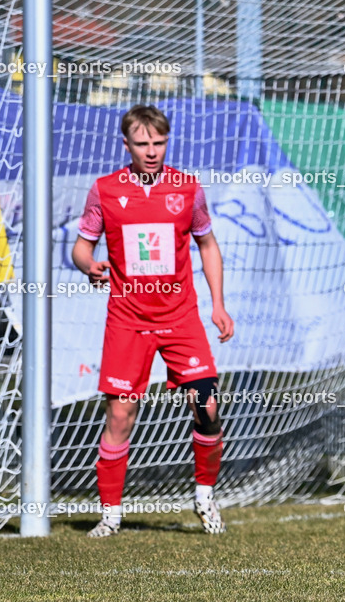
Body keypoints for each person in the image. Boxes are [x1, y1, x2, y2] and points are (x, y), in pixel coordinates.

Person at [72, 104, 235, 537]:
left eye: (159, 143)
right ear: (126, 144)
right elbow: (81, 247)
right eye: (142, 143)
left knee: (208, 404)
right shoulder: (105, 190)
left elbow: (208, 245)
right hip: (128, 319)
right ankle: (110, 515)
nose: (151, 151)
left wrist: (218, 304)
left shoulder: (187, 188)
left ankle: (204, 496)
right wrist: (88, 265)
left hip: (181, 317)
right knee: (121, 415)